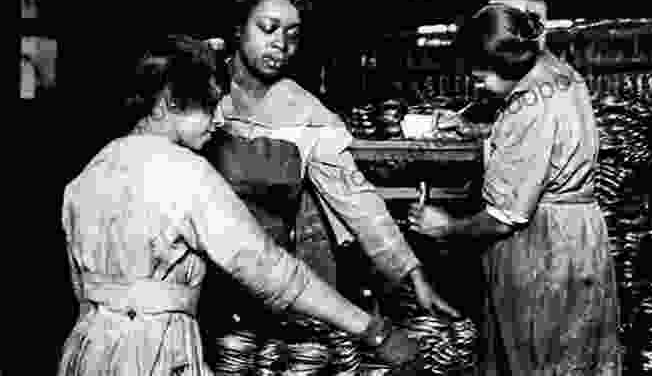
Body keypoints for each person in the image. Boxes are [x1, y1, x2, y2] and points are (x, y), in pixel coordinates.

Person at [57, 35, 425, 375]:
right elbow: (271, 272)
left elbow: (80, 289)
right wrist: (373, 331)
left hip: (87, 350)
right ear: (169, 102)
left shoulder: (88, 175)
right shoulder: (187, 173)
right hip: (155, 354)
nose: (218, 120)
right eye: (210, 105)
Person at [199, 0, 457, 338]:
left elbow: (356, 199)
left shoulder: (305, 112)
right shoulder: (200, 93)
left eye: (292, 35)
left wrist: (410, 273)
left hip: (271, 278)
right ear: (238, 29)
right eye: (268, 28)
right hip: (201, 279)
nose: (281, 45)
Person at [408, 4, 622, 375]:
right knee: (573, 355)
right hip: (578, 234)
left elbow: (503, 219)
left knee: (535, 357)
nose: (478, 87)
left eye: (481, 79)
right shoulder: (557, 72)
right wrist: (482, 132)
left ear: (508, 66)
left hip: (544, 248)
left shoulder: (527, 108)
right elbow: (546, 145)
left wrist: (444, 227)